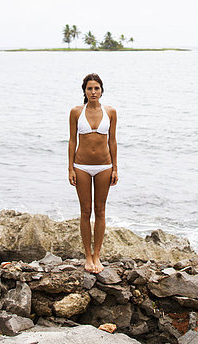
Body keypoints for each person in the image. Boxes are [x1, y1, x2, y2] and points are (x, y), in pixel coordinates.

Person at [68, 73, 118, 273]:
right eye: (89, 88)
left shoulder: (111, 112)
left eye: (96, 88)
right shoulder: (75, 112)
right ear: (84, 91)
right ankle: (87, 257)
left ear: (101, 90)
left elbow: (112, 141)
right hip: (81, 166)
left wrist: (115, 167)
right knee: (85, 211)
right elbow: (72, 141)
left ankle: (97, 255)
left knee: (101, 210)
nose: (93, 92)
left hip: (104, 167)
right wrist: (70, 167)